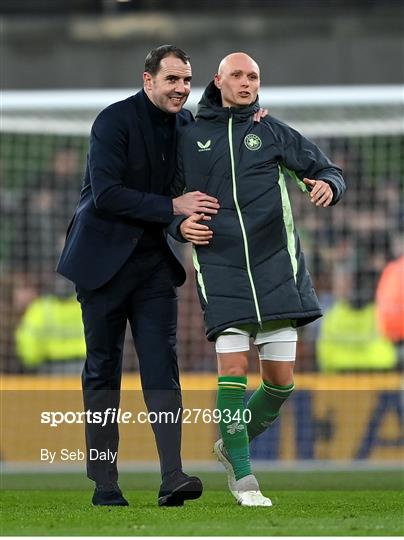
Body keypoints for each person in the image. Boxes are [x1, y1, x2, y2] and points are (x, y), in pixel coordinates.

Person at [172, 53, 346, 507]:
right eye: (238, 75)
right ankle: (244, 477)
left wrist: (328, 185)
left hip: (275, 270)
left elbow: (325, 169)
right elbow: (165, 198)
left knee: (281, 384)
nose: (247, 83)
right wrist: (177, 227)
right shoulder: (187, 134)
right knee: (232, 371)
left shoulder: (270, 130)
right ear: (218, 81)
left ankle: (233, 443)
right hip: (221, 267)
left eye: (253, 77)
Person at [57, 45, 221, 507]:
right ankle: (105, 483)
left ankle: (173, 475)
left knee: (162, 370)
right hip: (102, 265)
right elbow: (107, 194)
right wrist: (173, 208)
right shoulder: (112, 122)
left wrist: (179, 223)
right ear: (148, 80)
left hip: (152, 266)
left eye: (187, 81)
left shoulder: (186, 126)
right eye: (172, 80)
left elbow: (180, 192)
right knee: (103, 371)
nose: (181, 89)